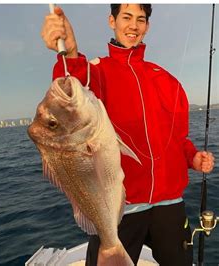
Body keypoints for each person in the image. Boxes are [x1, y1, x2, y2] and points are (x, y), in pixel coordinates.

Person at [41, 4, 215, 265]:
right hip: (119, 207)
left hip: (170, 205)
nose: (133, 26)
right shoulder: (96, 71)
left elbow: (178, 139)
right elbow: (70, 95)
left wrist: (193, 158)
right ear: (112, 21)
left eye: (140, 20)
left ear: (147, 26)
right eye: (126, 17)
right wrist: (70, 51)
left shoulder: (167, 80)